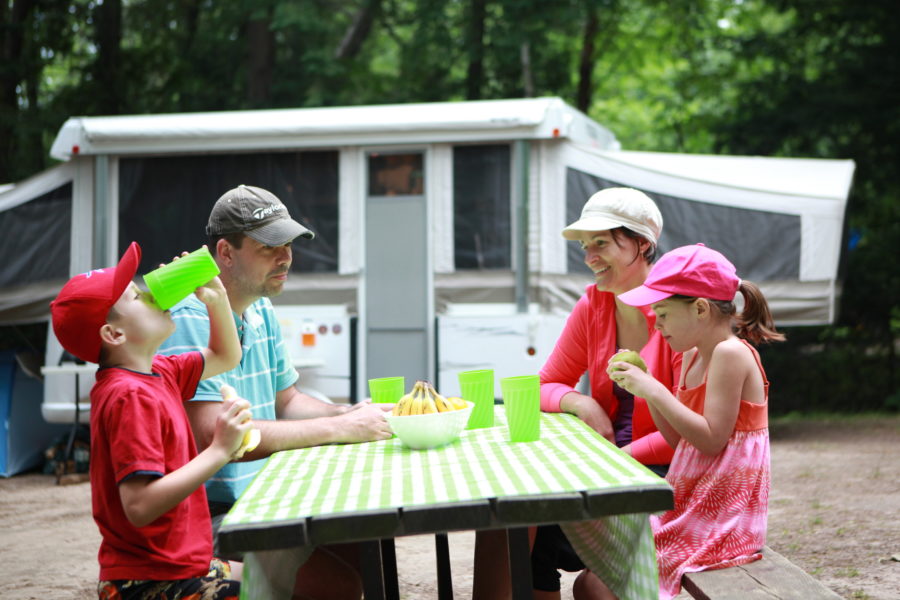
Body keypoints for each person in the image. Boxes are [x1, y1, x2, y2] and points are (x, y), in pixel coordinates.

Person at [158, 184, 393, 599]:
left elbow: (287, 402)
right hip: (212, 519)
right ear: (225, 254)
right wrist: (341, 429)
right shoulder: (190, 315)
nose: (286, 256)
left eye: (288, 243)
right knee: (342, 586)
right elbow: (220, 436)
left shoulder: (260, 305)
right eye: (269, 246)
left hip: (266, 500)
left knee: (363, 539)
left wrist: (347, 413)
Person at [473, 187, 683, 600]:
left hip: (665, 476)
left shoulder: (675, 311)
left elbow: (684, 428)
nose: (589, 257)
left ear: (643, 244)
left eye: (601, 243)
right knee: (519, 518)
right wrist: (579, 401)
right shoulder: (594, 305)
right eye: (586, 246)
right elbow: (544, 386)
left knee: (579, 571)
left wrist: (615, 457)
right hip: (608, 468)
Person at [576, 243, 783, 599]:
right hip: (690, 510)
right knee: (588, 581)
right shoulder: (690, 355)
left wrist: (655, 391)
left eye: (663, 313)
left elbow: (712, 440)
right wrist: (645, 392)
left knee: (597, 586)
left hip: (724, 524)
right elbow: (679, 441)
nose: (656, 324)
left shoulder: (730, 353)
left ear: (700, 309)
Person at [49, 241, 247, 599]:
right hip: (150, 580)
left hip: (179, 564)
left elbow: (225, 355)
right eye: (136, 297)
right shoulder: (129, 396)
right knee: (271, 588)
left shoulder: (158, 372)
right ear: (114, 335)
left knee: (273, 578)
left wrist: (217, 301)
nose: (151, 294)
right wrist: (220, 450)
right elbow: (139, 506)